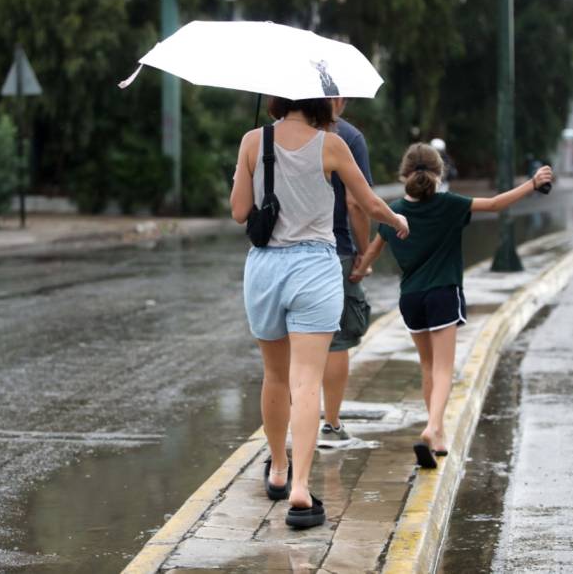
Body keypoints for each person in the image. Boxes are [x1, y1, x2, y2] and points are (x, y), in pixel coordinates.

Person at [230, 97, 409, 528]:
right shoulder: (332, 145)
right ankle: (300, 489)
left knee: (274, 375)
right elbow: (367, 203)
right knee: (306, 379)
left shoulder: (253, 141)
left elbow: (239, 213)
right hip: (314, 267)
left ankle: (277, 468)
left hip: (265, 268)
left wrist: (257, 174)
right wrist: (397, 222)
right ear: (319, 100)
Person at [350, 143, 552, 469]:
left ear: (403, 174)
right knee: (445, 369)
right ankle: (431, 427)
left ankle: (439, 435)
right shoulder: (450, 204)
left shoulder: (394, 211)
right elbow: (497, 204)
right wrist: (532, 183)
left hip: (411, 299)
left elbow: (373, 249)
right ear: (439, 172)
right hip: (443, 293)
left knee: (428, 368)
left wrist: (359, 272)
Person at [318, 97, 373, 448]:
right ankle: (331, 423)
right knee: (335, 342)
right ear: (336, 99)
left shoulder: (266, 138)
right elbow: (357, 201)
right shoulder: (347, 137)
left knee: (290, 348)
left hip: (278, 251)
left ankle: (285, 438)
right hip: (333, 249)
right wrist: (364, 251)